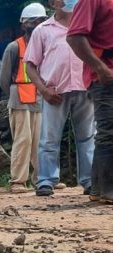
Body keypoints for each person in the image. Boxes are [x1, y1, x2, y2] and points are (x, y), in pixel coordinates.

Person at [25, 0, 95, 197]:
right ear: (53, 3)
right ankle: (46, 181)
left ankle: (89, 181)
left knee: (88, 138)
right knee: (49, 138)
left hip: (85, 89)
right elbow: (30, 65)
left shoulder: (88, 28)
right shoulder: (42, 30)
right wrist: (43, 90)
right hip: (54, 93)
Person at [67, 0, 113, 203]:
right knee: (109, 130)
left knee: (107, 131)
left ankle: (98, 188)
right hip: (106, 74)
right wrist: (99, 67)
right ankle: (108, 190)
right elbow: (75, 36)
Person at [0, 3, 48, 193]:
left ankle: (42, 180)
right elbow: (4, 79)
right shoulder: (14, 47)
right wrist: (14, 93)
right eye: (32, 21)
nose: (36, 24)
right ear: (24, 24)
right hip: (19, 98)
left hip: (39, 98)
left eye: (40, 20)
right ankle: (18, 182)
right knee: (23, 139)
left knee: (41, 141)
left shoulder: (45, 46)